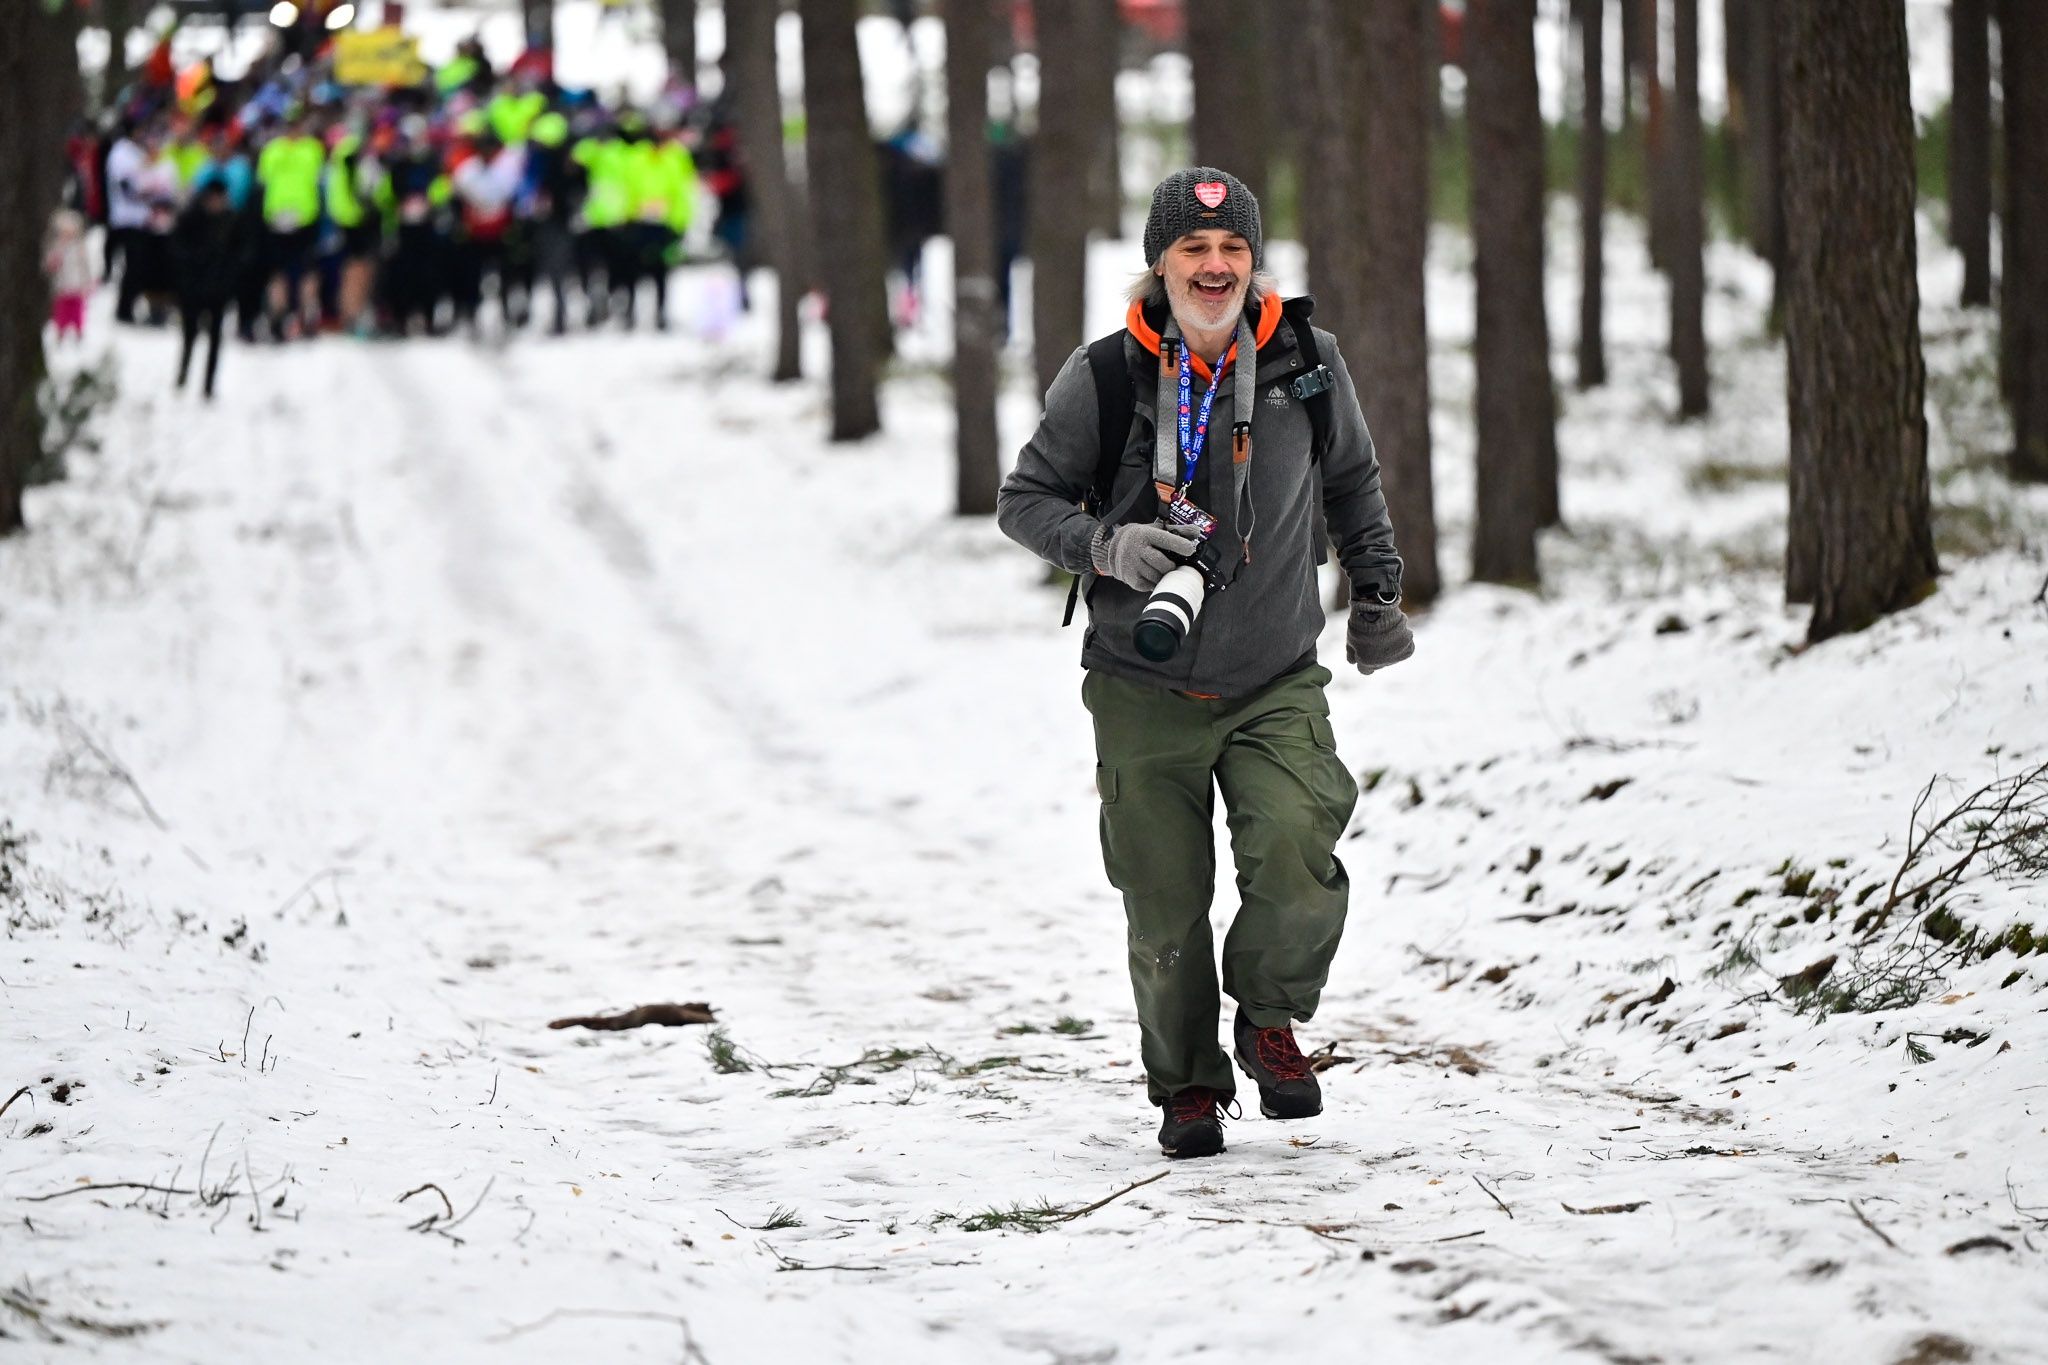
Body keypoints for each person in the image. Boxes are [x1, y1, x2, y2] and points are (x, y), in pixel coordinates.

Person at [995, 168, 1415, 1160]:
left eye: (1231, 250)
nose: (1215, 265)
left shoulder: (1305, 362)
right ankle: (1185, 1086)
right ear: (1159, 262)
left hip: (1273, 671)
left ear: (1252, 262)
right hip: (1141, 686)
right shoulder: (1104, 375)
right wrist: (1106, 545)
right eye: (1193, 248)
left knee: (1297, 844)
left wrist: (1376, 596)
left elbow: (1351, 481)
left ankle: (1267, 1020)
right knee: (1163, 902)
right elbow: (1023, 499)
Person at [171, 177, 248, 399]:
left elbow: (241, 254)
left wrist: (228, 280)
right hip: (193, 288)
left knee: (215, 339)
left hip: (218, 291)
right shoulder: (191, 219)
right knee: (189, 334)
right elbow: (177, 249)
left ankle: (208, 385)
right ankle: (183, 374)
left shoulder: (232, 221)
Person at [44, 208, 95, 344]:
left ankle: (79, 332)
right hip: (62, 286)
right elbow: (49, 266)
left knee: (77, 311)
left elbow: (86, 266)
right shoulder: (56, 247)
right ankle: (60, 333)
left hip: (77, 286)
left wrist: (88, 282)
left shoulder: (80, 247)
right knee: (61, 312)